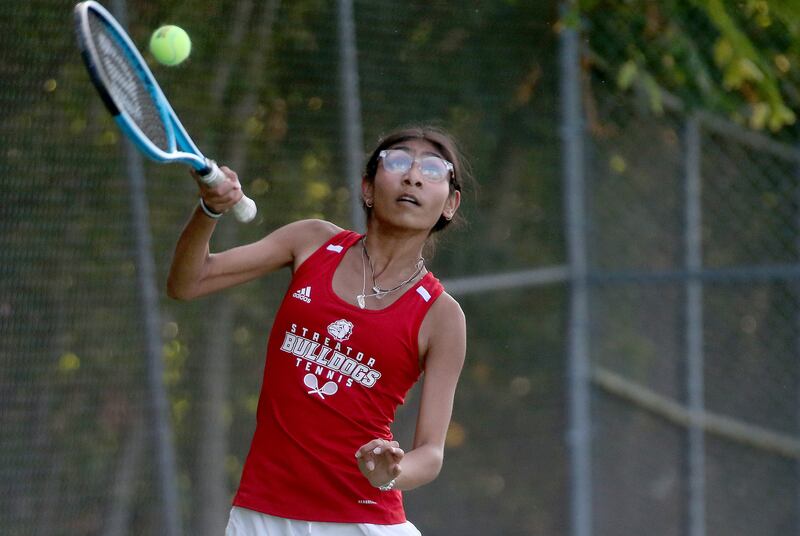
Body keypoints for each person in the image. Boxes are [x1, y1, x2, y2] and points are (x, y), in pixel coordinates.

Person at [167, 126, 469, 536]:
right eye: (398, 161)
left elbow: (431, 453)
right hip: (261, 514)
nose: (413, 176)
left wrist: (391, 473)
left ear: (450, 203)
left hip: (363, 521)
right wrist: (209, 210)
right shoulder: (311, 241)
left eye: (432, 169)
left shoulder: (442, 316)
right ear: (367, 187)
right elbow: (187, 282)